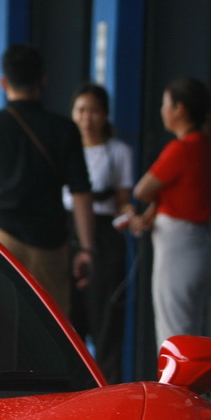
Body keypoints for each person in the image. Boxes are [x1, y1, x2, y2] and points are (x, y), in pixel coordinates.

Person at [0, 44, 97, 314]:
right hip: (50, 246)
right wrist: (87, 248)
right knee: (53, 329)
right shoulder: (64, 129)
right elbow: (81, 192)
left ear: (3, 82)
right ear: (43, 80)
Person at [130, 78, 211, 348]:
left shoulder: (181, 147)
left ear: (179, 109)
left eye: (164, 104)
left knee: (174, 338)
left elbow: (141, 190)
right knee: (189, 334)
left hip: (178, 248)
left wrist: (153, 202)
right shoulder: (208, 147)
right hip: (199, 245)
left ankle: (174, 391)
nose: (162, 110)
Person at [64, 85, 132, 382]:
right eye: (80, 110)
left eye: (93, 111)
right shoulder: (66, 148)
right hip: (67, 232)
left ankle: (109, 388)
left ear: (104, 115)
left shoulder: (118, 151)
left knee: (104, 317)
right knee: (68, 316)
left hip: (104, 235)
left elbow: (123, 201)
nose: (86, 118)